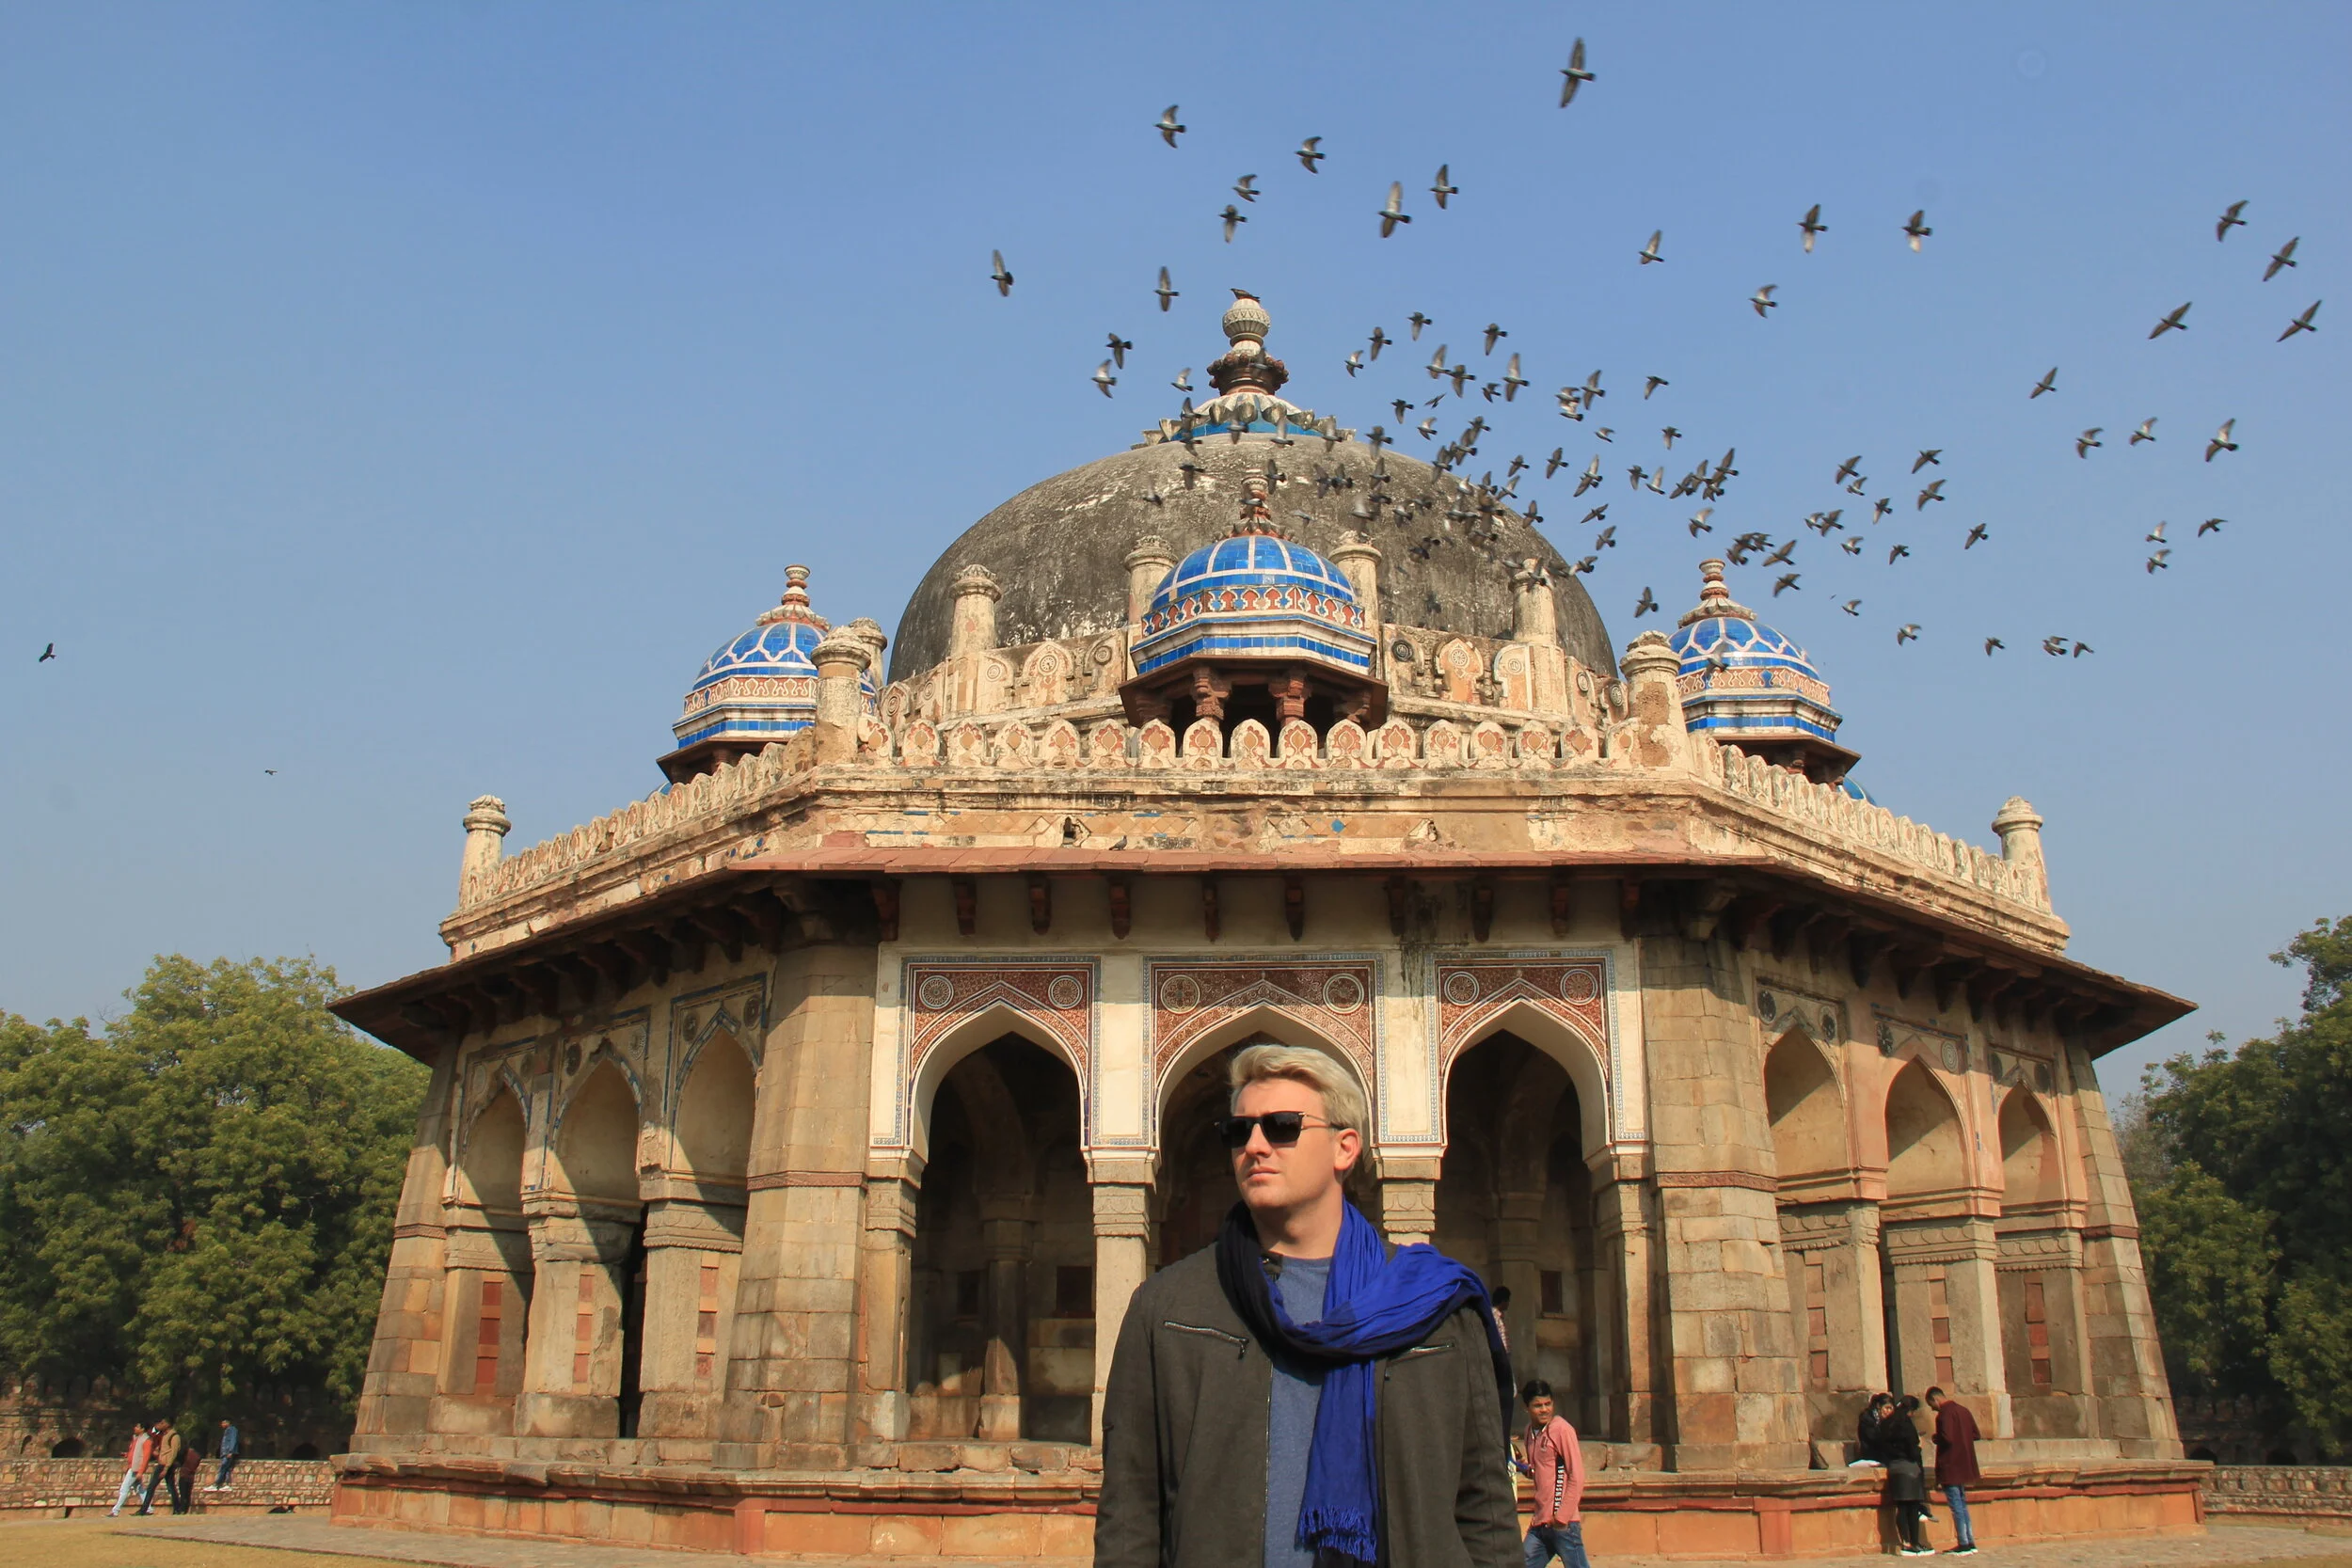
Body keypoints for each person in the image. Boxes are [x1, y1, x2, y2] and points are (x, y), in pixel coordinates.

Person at [1097, 1044, 1520, 1568]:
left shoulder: (1434, 1305)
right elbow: (1130, 1509)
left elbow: (1485, 1506)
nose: (1254, 1146)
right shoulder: (1171, 1307)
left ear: (1345, 1148)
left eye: (1281, 1126)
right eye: (1238, 1131)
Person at [1515, 1379, 1590, 1568]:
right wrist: (1523, 1468)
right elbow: (1540, 1471)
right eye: (1538, 1406)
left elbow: (1576, 1475)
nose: (1544, 1410)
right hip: (1540, 1524)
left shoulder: (1561, 1429)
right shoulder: (1529, 1432)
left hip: (1563, 1523)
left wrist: (1562, 1518)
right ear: (1526, 1408)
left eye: (1548, 1404)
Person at [1857, 1394, 1931, 1556]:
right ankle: (1914, 1543)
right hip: (1908, 1467)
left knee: (1901, 1508)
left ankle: (1904, 1543)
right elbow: (1912, 1448)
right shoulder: (1905, 1424)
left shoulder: (1887, 1423)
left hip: (1894, 1467)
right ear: (1911, 1410)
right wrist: (1917, 1449)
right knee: (1912, 1508)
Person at [1927, 1387, 1981, 1555]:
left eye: (1932, 1405)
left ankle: (1963, 1543)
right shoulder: (1963, 1411)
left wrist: (1936, 1438)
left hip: (1951, 1465)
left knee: (1956, 1505)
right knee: (1962, 1504)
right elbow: (1975, 1434)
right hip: (1964, 1463)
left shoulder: (1944, 1414)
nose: (1932, 1408)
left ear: (1936, 1400)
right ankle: (1969, 1540)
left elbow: (1947, 1438)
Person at [109, 1422, 151, 1516]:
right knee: (140, 1489)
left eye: (137, 1427)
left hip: (136, 1469)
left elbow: (145, 1457)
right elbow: (135, 1453)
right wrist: (127, 1455)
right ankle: (149, 1508)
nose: (135, 1428)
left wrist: (141, 1471)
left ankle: (115, 1511)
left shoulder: (146, 1440)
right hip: (133, 1467)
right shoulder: (137, 1439)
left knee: (124, 1488)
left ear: (143, 1429)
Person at [139, 1418, 180, 1515]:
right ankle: (177, 1509)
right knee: (168, 1487)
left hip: (166, 1465)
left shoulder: (174, 1436)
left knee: (155, 1487)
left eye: (163, 1423)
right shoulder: (164, 1435)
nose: (161, 1425)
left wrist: (166, 1468)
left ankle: (144, 1510)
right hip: (162, 1463)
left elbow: (173, 1453)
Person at [173, 1426, 204, 1513]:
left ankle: (182, 1509)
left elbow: (180, 1462)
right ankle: (186, 1509)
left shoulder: (186, 1452)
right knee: (188, 1494)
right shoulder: (197, 1456)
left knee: (183, 1494)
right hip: (191, 1476)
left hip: (184, 1474)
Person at [207, 1418, 241, 1491]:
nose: (222, 1425)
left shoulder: (231, 1430)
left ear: (227, 1422)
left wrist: (230, 1451)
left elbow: (232, 1440)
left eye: (223, 1423)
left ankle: (216, 1484)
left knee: (223, 1467)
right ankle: (226, 1484)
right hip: (225, 1453)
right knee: (227, 1468)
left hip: (227, 1453)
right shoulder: (228, 1430)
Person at [1490, 1285, 1515, 1353]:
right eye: (1508, 1300)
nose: (1508, 1303)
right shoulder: (1493, 1317)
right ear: (1503, 1301)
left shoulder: (1501, 1317)